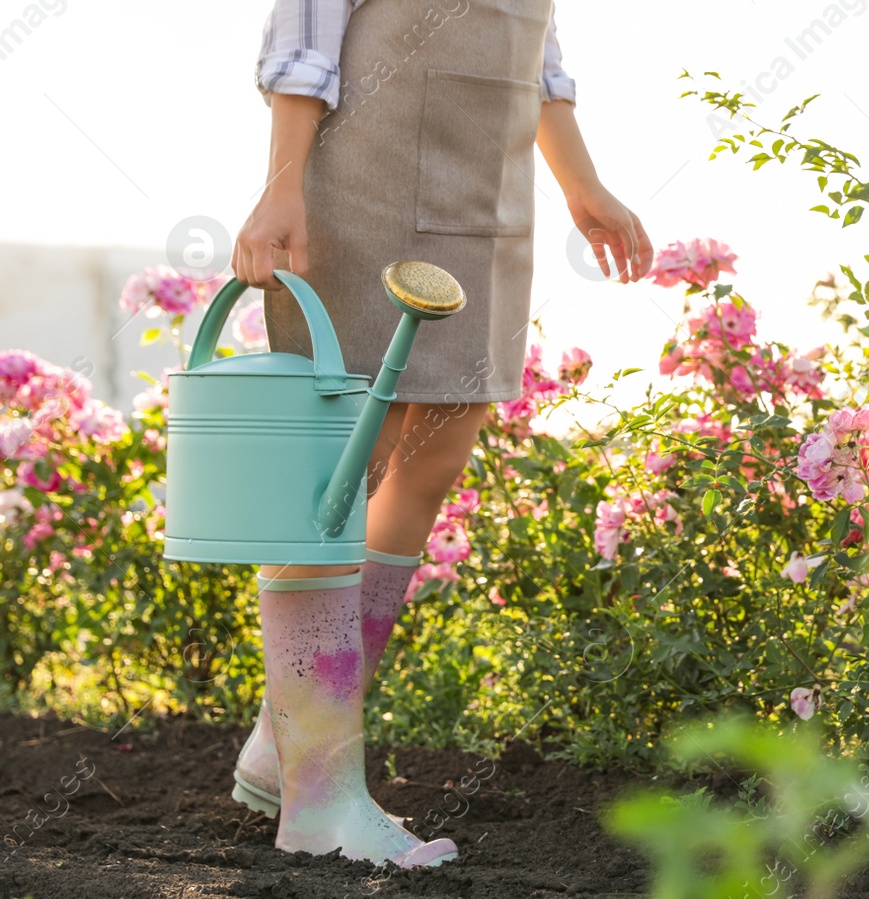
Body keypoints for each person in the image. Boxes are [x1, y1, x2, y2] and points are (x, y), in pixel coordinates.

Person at [228, 0, 652, 868]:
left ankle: (290, 739)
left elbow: (537, 53)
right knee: (339, 473)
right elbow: (306, 34)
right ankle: (321, 798)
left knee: (440, 450)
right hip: (359, 186)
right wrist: (282, 184)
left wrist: (581, 184)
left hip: (484, 198)